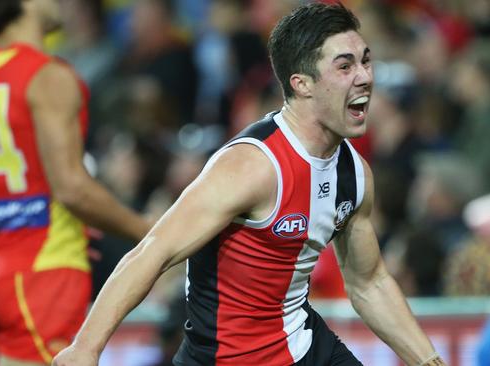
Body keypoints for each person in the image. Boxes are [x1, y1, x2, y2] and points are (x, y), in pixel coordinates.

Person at [53, 3, 446, 366]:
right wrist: (85, 348)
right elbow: (153, 253)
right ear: (302, 84)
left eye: (366, 61)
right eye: (345, 66)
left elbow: (369, 283)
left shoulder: (356, 174)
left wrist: (431, 362)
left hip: (304, 347)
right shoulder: (251, 166)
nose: (365, 77)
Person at [0, 0, 151, 365]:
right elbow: (72, 189)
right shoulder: (48, 76)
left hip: (3, 274)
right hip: (46, 276)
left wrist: (13, 220)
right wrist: (150, 232)